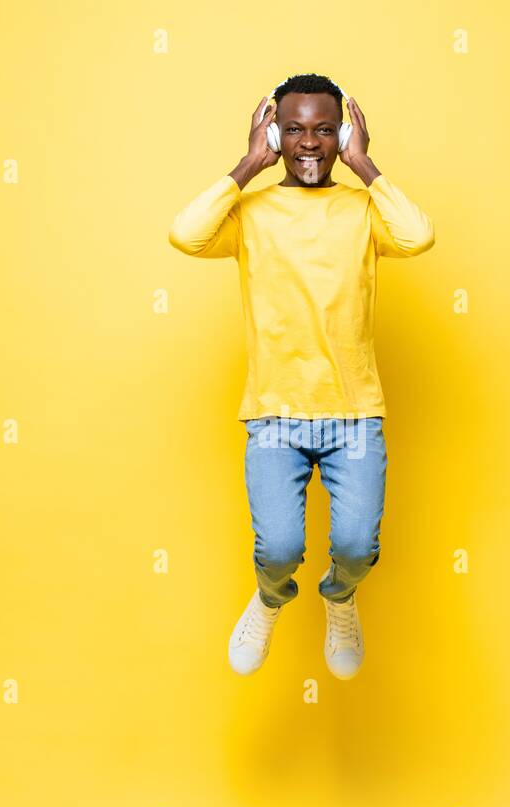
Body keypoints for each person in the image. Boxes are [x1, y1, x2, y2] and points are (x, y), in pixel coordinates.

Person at [168, 73, 434, 680]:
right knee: (280, 548)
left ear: (343, 134)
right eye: (292, 130)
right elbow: (185, 234)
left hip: (354, 415)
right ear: (274, 135)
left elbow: (419, 237)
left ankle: (340, 597)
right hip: (274, 417)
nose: (308, 143)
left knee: (357, 548)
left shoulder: (364, 211)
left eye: (323, 130)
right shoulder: (251, 214)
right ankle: (269, 601)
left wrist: (367, 167)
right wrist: (246, 166)